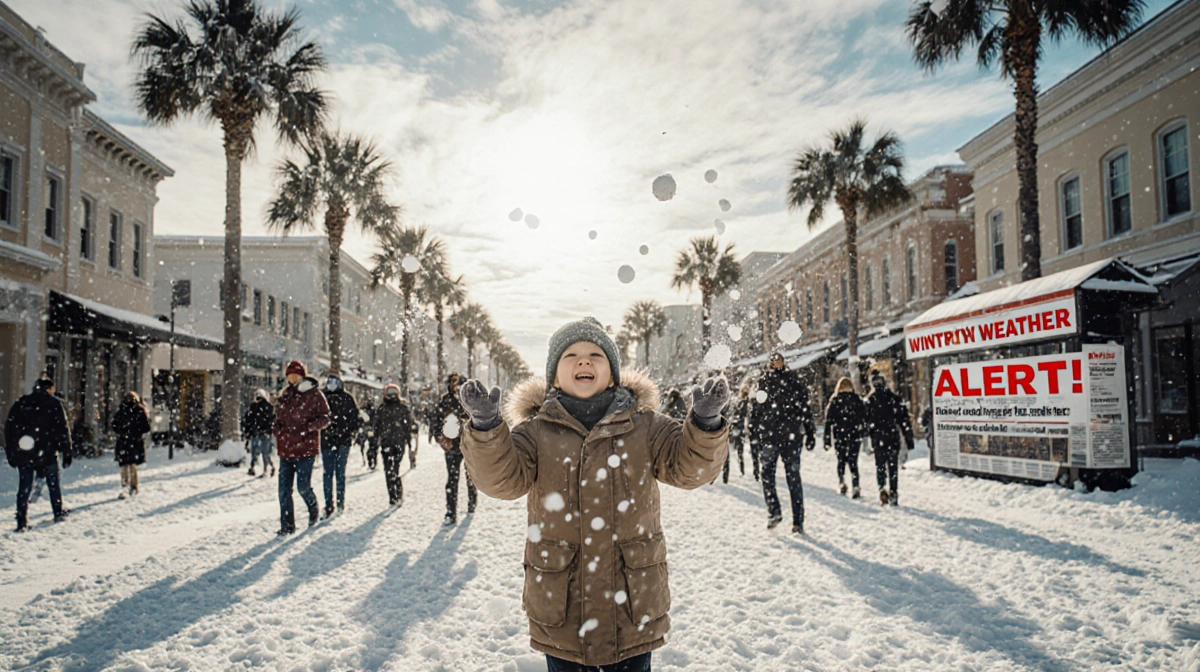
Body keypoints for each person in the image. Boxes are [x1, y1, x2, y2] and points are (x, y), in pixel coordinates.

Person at [458, 317, 729, 672]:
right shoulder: (536, 431)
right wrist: (487, 428)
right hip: (564, 611)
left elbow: (690, 469)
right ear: (554, 376)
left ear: (613, 374)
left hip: (631, 608)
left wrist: (704, 425)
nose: (583, 361)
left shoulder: (645, 425)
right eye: (570, 355)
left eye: (595, 354)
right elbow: (502, 481)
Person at [748, 352, 815, 534]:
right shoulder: (793, 381)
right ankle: (797, 521)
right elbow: (805, 408)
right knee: (793, 478)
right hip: (790, 436)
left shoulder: (764, 383)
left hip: (771, 437)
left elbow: (755, 411)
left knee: (768, 474)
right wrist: (809, 432)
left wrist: (753, 432)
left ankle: (775, 510)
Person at [5, 378, 72, 532]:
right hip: (47, 451)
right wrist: (66, 451)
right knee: (53, 483)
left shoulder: (22, 404)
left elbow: (10, 428)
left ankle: (22, 519)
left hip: (26, 451)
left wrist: (12, 451)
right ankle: (57, 511)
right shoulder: (54, 404)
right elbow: (62, 429)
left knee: (25, 486)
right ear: (49, 389)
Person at [272, 361, 331, 535]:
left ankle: (313, 508)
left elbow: (326, 417)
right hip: (286, 449)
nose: (291, 378)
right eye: (289, 375)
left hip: (306, 449)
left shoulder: (314, 395)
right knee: (284, 491)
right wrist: (277, 430)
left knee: (303, 487)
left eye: (295, 374)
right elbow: (278, 419)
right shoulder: (285, 396)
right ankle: (287, 526)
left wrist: (310, 427)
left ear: (302, 375)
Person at [864, 369, 914, 507]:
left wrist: (866, 432)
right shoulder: (892, 398)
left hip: (879, 438)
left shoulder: (870, 400)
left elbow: (864, 421)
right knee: (892, 467)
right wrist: (908, 438)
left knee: (880, 466)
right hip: (891, 437)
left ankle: (882, 488)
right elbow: (903, 420)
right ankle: (893, 491)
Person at [435, 373, 476, 525]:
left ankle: (472, 502)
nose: (456, 387)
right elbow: (436, 421)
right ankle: (450, 512)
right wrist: (440, 437)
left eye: (458, 384)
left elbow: (478, 421)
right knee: (452, 480)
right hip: (452, 446)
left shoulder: (471, 401)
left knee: (471, 476)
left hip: (469, 446)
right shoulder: (445, 401)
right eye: (453, 383)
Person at [320, 372, 360, 518]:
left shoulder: (346, 398)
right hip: (327, 441)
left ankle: (339, 501)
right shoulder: (322, 397)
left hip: (342, 441)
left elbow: (354, 418)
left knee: (339, 473)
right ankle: (329, 504)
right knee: (328, 473)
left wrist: (348, 430)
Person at [824, 377, 867, 499]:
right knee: (853, 461)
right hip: (854, 434)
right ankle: (855, 485)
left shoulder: (835, 401)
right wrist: (863, 431)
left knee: (841, 460)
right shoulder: (857, 400)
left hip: (840, 434)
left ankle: (842, 481)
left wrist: (827, 439)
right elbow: (864, 417)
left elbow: (828, 421)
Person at [374, 383, 414, 506]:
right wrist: (375, 440)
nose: (391, 396)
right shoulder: (382, 408)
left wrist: (408, 440)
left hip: (398, 442)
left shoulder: (402, 408)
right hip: (386, 442)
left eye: (393, 393)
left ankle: (398, 491)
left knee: (394, 467)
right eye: (389, 393)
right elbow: (377, 426)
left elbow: (408, 425)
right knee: (388, 469)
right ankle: (392, 495)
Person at [111, 391, 151, 499]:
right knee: (133, 465)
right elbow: (146, 427)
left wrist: (123, 431)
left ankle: (125, 486)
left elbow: (114, 426)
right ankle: (134, 486)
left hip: (124, 441)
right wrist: (136, 431)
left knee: (124, 465)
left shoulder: (122, 411)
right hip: (135, 441)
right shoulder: (140, 411)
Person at [242, 389, 276, 478]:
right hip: (258, 432)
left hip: (260, 432)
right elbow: (249, 420)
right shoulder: (257, 407)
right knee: (259, 452)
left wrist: (248, 431)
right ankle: (260, 468)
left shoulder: (264, 407)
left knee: (262, 452)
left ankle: (265, 469)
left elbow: (249, 420)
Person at [723, 384, 751, 483]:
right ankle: (741, 471)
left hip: (731, 429)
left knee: (727, 453)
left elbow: (736, 416)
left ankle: (726, 475)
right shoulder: (744, 402)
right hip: (738, 429)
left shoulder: (738, 403)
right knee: (739, 452)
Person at [356, 395, 375, 469]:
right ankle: (366, 459)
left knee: (372, 445)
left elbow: (374, 419)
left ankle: (370, 459)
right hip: (365, 429)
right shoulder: (361, 410)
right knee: (364, 444)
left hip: (369, 429)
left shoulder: (372, 410)